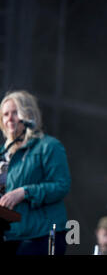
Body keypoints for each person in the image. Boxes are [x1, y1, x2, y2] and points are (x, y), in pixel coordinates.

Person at [0, 90, 71, 255]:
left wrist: (24, 192)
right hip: (9, 235)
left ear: (28, 114)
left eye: (15, 113)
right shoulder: (2, 154)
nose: (9, 118)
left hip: (41, 235)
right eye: (5, 114)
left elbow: (61, 185)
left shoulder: (48, 146)